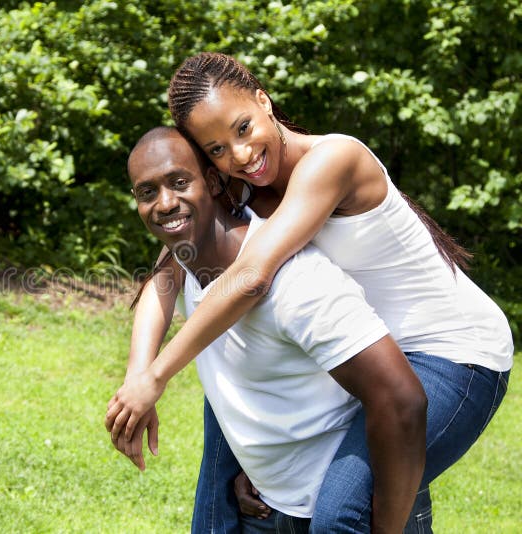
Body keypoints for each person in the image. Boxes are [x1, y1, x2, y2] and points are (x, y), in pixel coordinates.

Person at [106, 52, 513, 532]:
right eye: (216, 149)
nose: (239, 155)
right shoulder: (243, 186)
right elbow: (168, 272)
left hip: (455, 354)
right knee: (221, 415)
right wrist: (138, 376)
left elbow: (254, 274)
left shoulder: (333, 159)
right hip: (376, 348)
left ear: (264, 100)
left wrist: (156, 377)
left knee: (347, 511)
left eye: (243, 128)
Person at [113, 126, 428, 532]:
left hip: (356, 511)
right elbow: (160, 283)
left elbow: (401, 399)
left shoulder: (297, 282)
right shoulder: (189, 255)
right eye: (147, 192)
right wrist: (138, 381)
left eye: (178, 182)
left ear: (211, 182)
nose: (165, 203)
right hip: (272, 505)